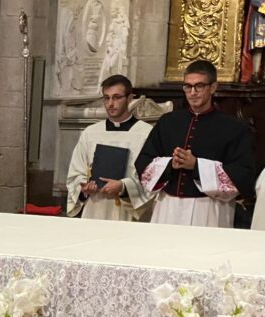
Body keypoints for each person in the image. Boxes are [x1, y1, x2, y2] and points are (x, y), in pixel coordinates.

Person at [134, 60, 256, 227]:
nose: (193, 92)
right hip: (169, 207)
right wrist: (170, 164)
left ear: (213, 87)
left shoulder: (233, 128)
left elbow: (243, 173)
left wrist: (196, 165)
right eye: (188, 86)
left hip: (209, 209)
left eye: (199, 86)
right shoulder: (168, 122)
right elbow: (143, 162)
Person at [65, 74, 153, 221]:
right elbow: (75, 173)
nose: (111, 103)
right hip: (95, 208)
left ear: (130, 98)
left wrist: (124, 187)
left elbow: (151, 177)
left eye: (117, 97)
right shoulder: (91, 133)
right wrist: (84, 187)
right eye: (106, 98)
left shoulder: (146, 133)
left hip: (128, 213)